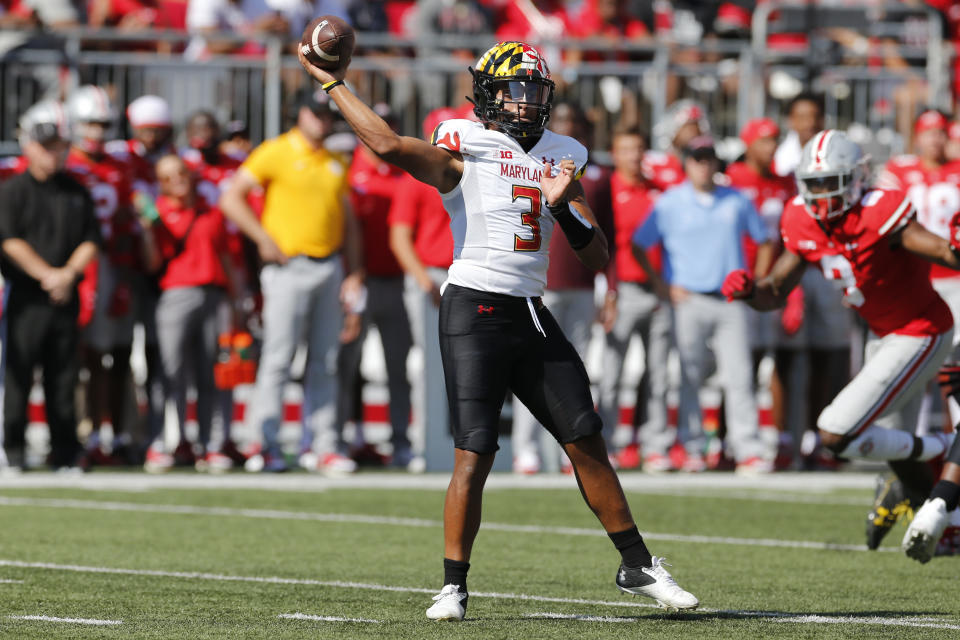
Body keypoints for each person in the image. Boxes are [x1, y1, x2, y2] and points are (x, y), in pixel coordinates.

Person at [299, 40, 699, 619]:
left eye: (536, 92)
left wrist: (563, 207)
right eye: (515, 91)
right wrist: (332, 84)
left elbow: (598, 257)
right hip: (473, 307)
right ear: (488, 95)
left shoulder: (564, 155)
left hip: (532, 310)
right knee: (476, 450)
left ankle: (636, 563)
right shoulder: (464, 144)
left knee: (585, 436)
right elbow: (386, 144)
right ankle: (453, 585)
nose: (527, 102)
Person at [722, 130, 956, 491]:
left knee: (837, 431)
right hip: (883, 333)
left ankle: (947, 447)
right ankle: (939, 516)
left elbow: (938, 249)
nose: (822, 193)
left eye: (831, 182)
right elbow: (776, 291)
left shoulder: (879, 208)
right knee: (894, 444)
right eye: (814, 184)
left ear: (856, 177)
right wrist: (751, 290)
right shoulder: (800, 218)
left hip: (920, 328)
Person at [220, 87, 363, 475]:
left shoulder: (336, 160)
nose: (322, 120)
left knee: (326, 360)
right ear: (299, 113)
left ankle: (323, 445)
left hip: (329, 266)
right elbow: (231, 198)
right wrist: (263, 239)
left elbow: (347, 222)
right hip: (287, 268)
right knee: (279, 359)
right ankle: (263, 443)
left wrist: (354, 271)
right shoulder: (276, 150)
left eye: (328, 115)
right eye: (316, 113)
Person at [633, 136, 775, 474]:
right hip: (688, 300)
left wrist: (753, 282)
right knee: (688, 375)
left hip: (730, 301)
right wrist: (661, 284)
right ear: (686, 163)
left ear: (716, 163)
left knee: (740, 375)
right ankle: (693, 446)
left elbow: (765, 241)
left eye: (708, 159)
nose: (703, 165)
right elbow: (640, 243)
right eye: (697, 159)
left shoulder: (736, 200)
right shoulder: (670, 202)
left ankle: (748, 449)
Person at [510, 101, 613, 475]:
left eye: (575, 123)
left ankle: (576, 450)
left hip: (583, 286)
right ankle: (527, 450)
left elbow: (605, 237)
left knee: (578, 368)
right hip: (543, 283)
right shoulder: (524, 164)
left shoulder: (595, 176)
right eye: (564, 122)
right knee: (531, 370)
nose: (569, 128)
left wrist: (610, 288)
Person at [0, 100, 100, 472]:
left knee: (64, 376)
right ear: (29, 147)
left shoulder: (77, 191)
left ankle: (66, 452)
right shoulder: (12, 191)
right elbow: (9, 240)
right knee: (18, 374)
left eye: (59, 147)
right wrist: (47, 274)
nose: (52, 155)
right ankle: (13, 448)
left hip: (65, 294)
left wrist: (68, 275)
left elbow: (91, 239)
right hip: (26, 295)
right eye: (45, 147)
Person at [65, 85, 141, 466]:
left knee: (119, 353)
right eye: (90, 123)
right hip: (78, 267)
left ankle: (120, 434)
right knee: (88, 356)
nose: (97, 132)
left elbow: (128, 217)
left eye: (102, 124)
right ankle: (88, 433)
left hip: (113, 265)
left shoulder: (118, 167)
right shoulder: (65, 165)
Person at [148, 155, 236, 471]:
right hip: (176, 294)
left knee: (213, 372)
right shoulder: (157, 213)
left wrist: (236, 301)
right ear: (161, 183)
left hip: (215, 293)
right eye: (169, 176)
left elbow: (226, 256)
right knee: (171, 371)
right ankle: (164, 441)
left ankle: (211, 443)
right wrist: (147, 229)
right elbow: (152, 262)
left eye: (182, 173)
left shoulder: (210, 212)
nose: (178, 181)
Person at [340, 104, 413, 468]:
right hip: (357, 280)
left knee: (398, 368)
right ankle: (344, 439)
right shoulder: (349, 170)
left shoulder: (406, 172)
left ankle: (400, 440)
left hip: (398, 282)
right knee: (346, 364)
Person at [599, 126, 674, 472]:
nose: (634, 155)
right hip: (624, 288)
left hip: (658, 289)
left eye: (639, 148)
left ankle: (655, 444)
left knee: (659, 373)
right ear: (614, 154)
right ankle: (610, 441)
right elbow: (604, 245)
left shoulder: (659, 192)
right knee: (612, 372)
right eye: (627, 149)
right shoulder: (608, 190)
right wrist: (609, 291)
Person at [723, 117, 797, 466]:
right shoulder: (732, 179)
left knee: (780, 358)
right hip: (739, 281)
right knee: (740, 364)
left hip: (776, 281)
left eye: (775, 141)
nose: (771, 148)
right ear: (749, 143)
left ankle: (781, 437)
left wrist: (788, 290)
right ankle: (727, 440)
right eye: (765, 141)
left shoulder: (786, 183)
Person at [387, 112, 456, 473]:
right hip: (430, 274)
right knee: (427, 363)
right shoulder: (415, 180)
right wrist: (423, 279)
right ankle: (420, 441)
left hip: (463, 274)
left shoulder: (469, 173)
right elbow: (400, 237)